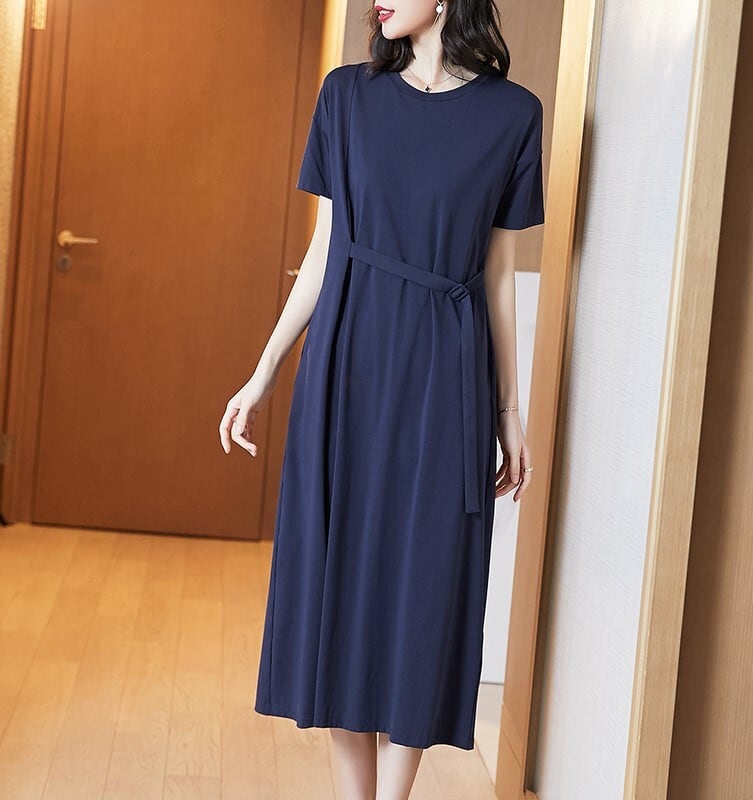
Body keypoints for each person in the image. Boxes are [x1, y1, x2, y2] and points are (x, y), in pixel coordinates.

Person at [219, 1, 544, 797]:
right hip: (348, 363)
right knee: (340, 581)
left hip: (446, 373)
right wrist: (264, 369)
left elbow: (498, 274)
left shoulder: (514, 115)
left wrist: (509, 412)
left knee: (425, 585)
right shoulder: (346, 96)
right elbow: (325, 249)